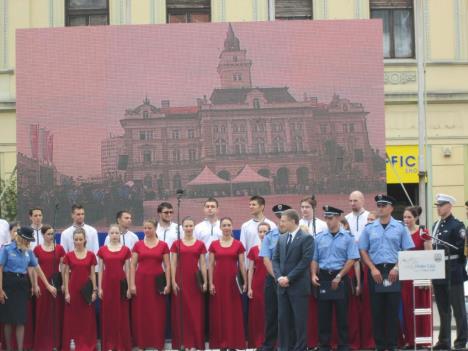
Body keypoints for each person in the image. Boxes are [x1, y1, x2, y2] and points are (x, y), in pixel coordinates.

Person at [358, 194, 415, 351]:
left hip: (393, 271)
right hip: (375, 271)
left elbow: (407, 249)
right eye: (379, 205)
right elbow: (363, 249)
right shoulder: (369, 228)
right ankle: (380, 344)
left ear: (391, 208)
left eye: (384, 205)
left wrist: (397, 267)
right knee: (376, 309)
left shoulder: (400, 227)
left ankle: (392, 344)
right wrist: (372, 268)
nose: (380, 208)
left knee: (391, 309)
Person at [311, 206, 360, 351]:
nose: (327, 221)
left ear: (338, 218)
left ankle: (343, 344)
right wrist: (313, 274)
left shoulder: (348, 238)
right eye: (326, 217)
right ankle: (324, 344)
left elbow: (351, 259)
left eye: (330, 218)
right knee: (323, 314)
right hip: (324, 276)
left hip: (341, 276)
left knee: (342, 313)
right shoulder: (319, 237)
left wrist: (339, 276)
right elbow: (314, 258)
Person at [0, 226, 53, 351]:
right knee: (8, 319)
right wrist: (0, 289)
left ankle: (19, 349)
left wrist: (47, 285)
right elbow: (0, 269)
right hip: (8, 284)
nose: (29, 243)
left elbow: (37, 268)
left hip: (22, 285)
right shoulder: (7, 249)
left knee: (21, 319)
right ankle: (8, 348)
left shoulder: (28, 252)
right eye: (27, 240)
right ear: (20, 238)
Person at [272, 209, 314, 351]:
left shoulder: (306, 238)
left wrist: (289, 278)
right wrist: (279, 277)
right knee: (283, 320)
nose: (281, 223)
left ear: (292, 221)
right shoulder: (282, 238)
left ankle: (300, 348)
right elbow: (275, 259)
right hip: (282, 287)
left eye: (283, 221)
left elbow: (305, 261)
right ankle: (284, 348)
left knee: (299, 321)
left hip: (298, 287)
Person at [431, 194, 467, 350]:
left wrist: (458, 268)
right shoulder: (435, 225)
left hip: (453, 270)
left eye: (441, 205)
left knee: (458, 309)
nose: (438, 208)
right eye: (437, 205)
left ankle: (460, 341)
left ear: (449, 206)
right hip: (439, 270)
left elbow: (462, 251)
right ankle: (444, 340)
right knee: (443, 308)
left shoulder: (457, 226)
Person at [130, 219, 171, 351]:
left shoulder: (163, 245)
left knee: (157, 313)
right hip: (140, 282)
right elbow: (132, 265)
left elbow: (168, 266)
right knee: (141, 313)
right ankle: (142, 344)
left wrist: (168, 283)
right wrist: (132, 284)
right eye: (145, 228)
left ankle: (158, 344)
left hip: (157, 283)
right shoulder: (138, 245)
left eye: (149, 228)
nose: (147, 231)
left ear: (155, 228)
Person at [208, 217, 247, 350]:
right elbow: (211, 265)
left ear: (232, 227)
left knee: (233, 312)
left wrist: (245, 282)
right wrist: (211, 283)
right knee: (220, 312)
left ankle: (233, 343)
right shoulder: (213, 244)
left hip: (233, 282)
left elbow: (242, 264)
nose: (226, 227)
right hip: (218, 281)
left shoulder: (238, 244)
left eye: (229, 225)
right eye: (224, 225)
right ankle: (222, 344)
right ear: (220, 227)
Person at [170, 217, 207, 350]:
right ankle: (183, 343)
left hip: (195, 281)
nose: (189, 228)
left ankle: (195, 344)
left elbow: (203, 264)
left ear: (194, 227)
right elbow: (173, 263)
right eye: (186, 226)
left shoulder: (200, 244)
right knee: (182, 313)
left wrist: (205, 281)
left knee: (195, 312)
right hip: (180, 279)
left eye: (191, 226)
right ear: (182, 228)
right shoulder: (176, 244)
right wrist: (173, 281)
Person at [259, 204, 291, 351]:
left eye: (283, 217)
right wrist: (278, 277)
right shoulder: (270, 236)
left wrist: (287, 278)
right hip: (273, 280)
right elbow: (266, 259)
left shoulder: (296, 235)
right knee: (271, 314)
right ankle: (269, 344)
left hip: (291, 280)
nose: (280, 220)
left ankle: (289, 344)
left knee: (289, 314)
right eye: (278, 217)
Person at [400, 206, 432, 349]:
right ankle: (410, 340)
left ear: (416, 218)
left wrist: (428, 279)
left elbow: (429, 255)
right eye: (404, 217)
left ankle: (423, 341)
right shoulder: (401, 232)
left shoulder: (423, 233)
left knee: (421, 306)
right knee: (407, 308)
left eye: (409, 217)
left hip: (420, 276)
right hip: (406, 277)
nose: (406, 220)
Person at [62, 227, 98, 351]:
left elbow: (93, 274)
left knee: (87, 318)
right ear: (73, 240)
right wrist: (66, 292)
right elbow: (66, 274)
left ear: (85, 240)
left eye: (80, 239)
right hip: (73, 289)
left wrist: (94, 290)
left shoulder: (91, 255)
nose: (78, 241)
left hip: (86, 291)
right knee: (73, 317)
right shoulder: (69, 255)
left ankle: (88, 343)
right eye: (76, 239)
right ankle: (74, 343)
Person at [97, 224, 132, 351]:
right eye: (112, 233)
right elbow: (100, 269)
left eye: (117, 233)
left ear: (120, 234)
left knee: (121, 314)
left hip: (121, 284)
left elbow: (128, 269)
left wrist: (129, 287)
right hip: (107, 284)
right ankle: (109, 345)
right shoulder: (102, 250)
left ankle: (121, 344)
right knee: (108, 314)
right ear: (108, 234)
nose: (115, 235)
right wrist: (99, 287)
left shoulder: (126, 250)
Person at [33, 224, 65, 351]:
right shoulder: (37, 250)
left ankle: (56, 342)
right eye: (48, 234)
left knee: (56, 313)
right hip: (42, 283)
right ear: (43, 235)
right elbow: (35, 269)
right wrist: (35, 285)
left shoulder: (60, 249)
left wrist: (63, 284)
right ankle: (42, 344)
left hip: (55, 283)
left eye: (52, 234)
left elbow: (63, 268)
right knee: (43, 313)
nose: (51, 236)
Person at [247, 221, 268, 349]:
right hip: (257, 285)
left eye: (265, 231)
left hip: (271, 284)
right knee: (258, 314)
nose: (262, 234)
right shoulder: (254, 249)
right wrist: (249, 287)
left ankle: (272, 341)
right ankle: (258, 342)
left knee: (270, 312)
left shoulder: (275, 248)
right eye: (260, 231)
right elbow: (250, 270)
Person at [240, 196, 277, 265]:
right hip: (252, 267)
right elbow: (243, 249)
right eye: (250, 205)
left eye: (254, 204)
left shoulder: (272, 225)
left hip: (268, 266)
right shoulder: (245, 226)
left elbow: (275, 248)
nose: (250, 207)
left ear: (262, 207)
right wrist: (246, 268)